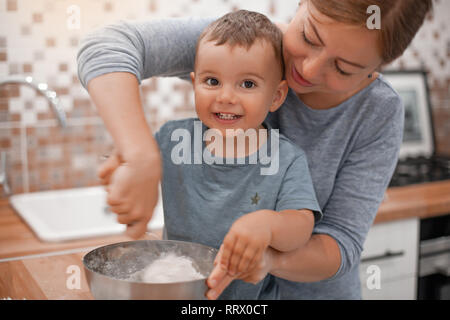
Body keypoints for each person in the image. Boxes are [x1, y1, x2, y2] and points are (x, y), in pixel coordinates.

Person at [77, 0, 433, 299]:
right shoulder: (252, 43)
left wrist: (270, 260)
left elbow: (340, 242)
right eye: (309, 36)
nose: (307, 69)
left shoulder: (378, 112)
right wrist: (138, 153)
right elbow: (108, 47)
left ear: (378, 69)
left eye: (343, 68)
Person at [141, 10, 322, 299]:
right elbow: (137, 164)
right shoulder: (173, 140)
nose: (225, 97)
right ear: (194, 83)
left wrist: (269, 225)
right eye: (212, 81)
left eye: (247, 84)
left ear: (276, 96)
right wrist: (124, 169)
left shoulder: (286, 159)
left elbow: (301, 226)